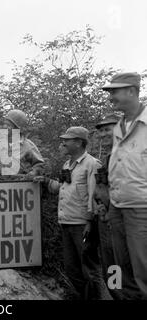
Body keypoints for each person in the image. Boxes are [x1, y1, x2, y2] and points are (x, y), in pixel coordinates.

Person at [34, 126, 102, 299]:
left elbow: (95, 195)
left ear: (79, 142)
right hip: (66, 222)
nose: (63, 143)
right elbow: (62, 188)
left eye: (67, 140)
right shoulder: (67, 164)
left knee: (90, 268)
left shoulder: (92, 164)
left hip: (83, 225)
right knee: (72, 269)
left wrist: (90, 222)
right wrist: (46, 181)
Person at [101, 72, 147, 299]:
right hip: (117, 207)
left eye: (114, 92)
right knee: (123, 269)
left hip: (141, 208)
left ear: (131, 90)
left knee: (143, 271)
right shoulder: (119, 126)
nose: (111, 98)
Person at [93, 113, 123, 300]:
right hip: (105, 221)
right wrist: (99, 204)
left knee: (121, 268)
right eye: (101, 131)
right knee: (110, 268)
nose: (103, 134)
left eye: (107, 129)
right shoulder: (107, 158)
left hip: (120, 223)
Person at [0, 109, 45, 180]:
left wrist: (32, 174)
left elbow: (39, 164)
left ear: (17, 128)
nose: (5, 127)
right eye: (4, 124)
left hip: (21, 186)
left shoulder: (27, 145)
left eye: (9, 125)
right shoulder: (0, 144)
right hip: (2, 186)